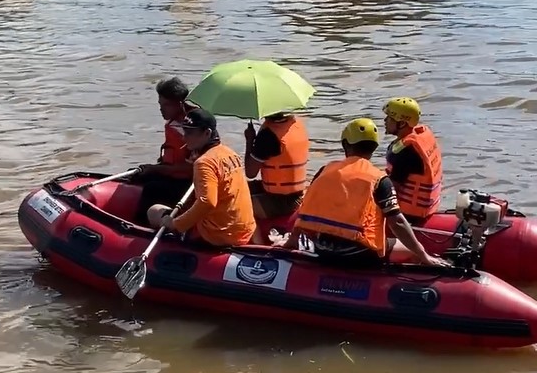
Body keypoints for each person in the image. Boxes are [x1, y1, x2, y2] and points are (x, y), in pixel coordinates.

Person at [277, 119, 448, 268]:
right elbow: (397, 222)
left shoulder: (325, 170)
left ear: (345, 145)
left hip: (323, 249)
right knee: (411, 252)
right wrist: (423, 254)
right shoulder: (379, 179)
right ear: (374, 148)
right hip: (360, 255)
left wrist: (292, 241)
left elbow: (305, 209)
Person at [146, 108, 256, 248]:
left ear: (207, 133)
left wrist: (176, 224)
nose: (184, 137)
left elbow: (207, 202)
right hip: (243, 230)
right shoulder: (230, 153)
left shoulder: (204, 162)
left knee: (154, 211)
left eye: (190, 132)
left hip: (216, 234)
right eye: (185, 131)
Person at [135, 77, 198, 219]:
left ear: (179, 104)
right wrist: (160, 163)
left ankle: (142, 225)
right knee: (137, 175)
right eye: (160, 104)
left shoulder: (191, 128)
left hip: (188, 183)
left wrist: (156, 168)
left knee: (151, 188)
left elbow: (190, 168)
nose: (161, 109)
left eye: (166, 105)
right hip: (173, 174)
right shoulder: (174, 122)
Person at [243, 111, 309, 242]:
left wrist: (250, 140)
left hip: (282, 202)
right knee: (237, 186)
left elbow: (250, 172)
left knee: (240, 203)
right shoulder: (296, 124)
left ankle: (258, 245)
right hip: (297, 193)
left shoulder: (268, 136)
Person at [382, 97, 444, 225]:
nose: (385, 121)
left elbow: (391, 189)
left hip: (409, 214)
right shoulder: (418, 136)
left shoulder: (407, 152)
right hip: (428, 207)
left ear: (402, 123)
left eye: (389, 118)